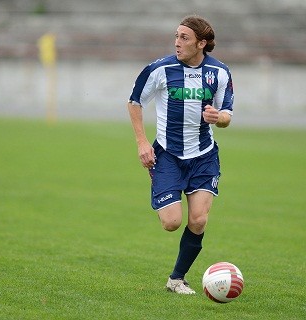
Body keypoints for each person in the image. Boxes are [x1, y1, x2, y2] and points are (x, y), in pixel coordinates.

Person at [127, 14, 234, 294]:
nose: (177, 42)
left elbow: (227, 116)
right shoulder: (159, 69)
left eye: (183, 38)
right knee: (171, 223)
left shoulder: (220, 72)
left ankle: (177, 279)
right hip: (168, 154)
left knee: (198, 220)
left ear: (201, 43)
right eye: (176, 36)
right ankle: (160, 179)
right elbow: (134, 102)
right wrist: (141, 142)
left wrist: (217, 116)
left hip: (204, 156)